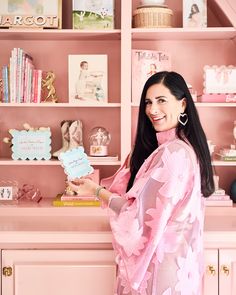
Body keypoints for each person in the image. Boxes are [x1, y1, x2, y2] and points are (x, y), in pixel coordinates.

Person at [68, 71, 215, 294]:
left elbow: (135, 216)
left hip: (159, 273)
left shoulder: (173, 153)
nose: (152, 110)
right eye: (148, 102)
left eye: (161, 100)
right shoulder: (181, 148)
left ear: (183, 104)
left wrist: (96, 191)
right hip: (179, 269)